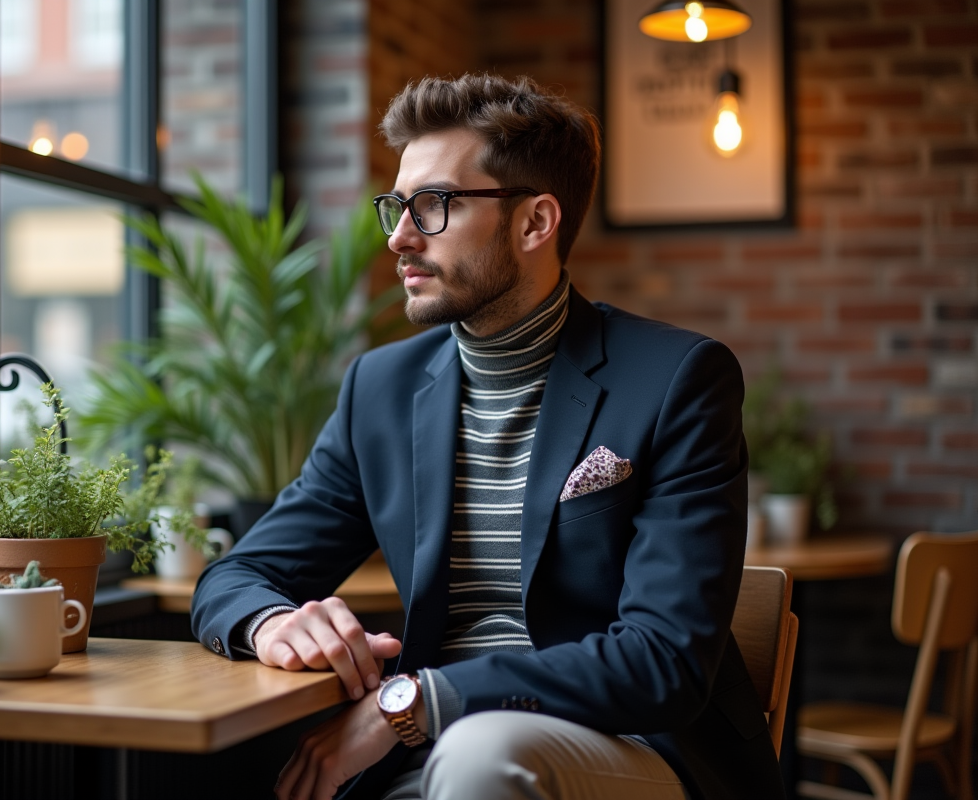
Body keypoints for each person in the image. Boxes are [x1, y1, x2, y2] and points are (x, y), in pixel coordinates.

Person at [191, 73, 782, 800]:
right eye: (396, 207)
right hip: (422, 761)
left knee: (480, 755)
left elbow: (663, 662)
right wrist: (274, 622)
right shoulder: (380, 389)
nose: (399, 237)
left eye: (434, 205)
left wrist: (414, 704)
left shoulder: (678, 379)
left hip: (631, 750)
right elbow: (233, 576)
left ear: (536, 223)